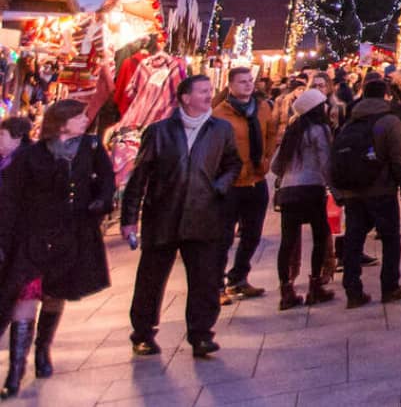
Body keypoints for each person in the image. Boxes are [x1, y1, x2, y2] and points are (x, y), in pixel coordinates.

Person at [122, 73, 241, 359]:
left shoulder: (220, 129)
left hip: (203, 214)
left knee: (204, 279)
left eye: (209, 90)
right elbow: (139, 177)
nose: (208, 95)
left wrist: (219, 186)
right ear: (185, 97)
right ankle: (143, 334)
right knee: (151, 279)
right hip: (163, 214)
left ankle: (201, 335)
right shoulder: (160, 131)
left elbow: (233, 163)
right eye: (202, 91)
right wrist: (129, 218)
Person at [0, 101, 114, 399]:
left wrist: (100, 203)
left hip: (71, 235)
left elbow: (107, 181)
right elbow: (11, 198)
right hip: (33, 237)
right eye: (79, 116)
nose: (85, 119)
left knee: (54, 293)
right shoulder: (31, 155)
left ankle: (42, 350)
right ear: (62, 121)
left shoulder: (91, 147)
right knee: (25, 295)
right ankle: (14, 372)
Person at [331, 78, 401, 308]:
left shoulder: (350, 120)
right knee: (390, 238)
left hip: (352, 190)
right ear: (386, 95)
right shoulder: (389, 121)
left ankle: (352, 289)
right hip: (381, 188)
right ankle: (389, 286)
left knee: (354, 239)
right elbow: (398, 158)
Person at [212, 66, 279, 301]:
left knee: (252, 233)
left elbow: (271, 132)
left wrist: (266, 158)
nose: (248, 85)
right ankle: (216, 285)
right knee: (223, 237)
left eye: (250, 80)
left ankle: (239, 277)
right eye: (242, 81)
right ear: (230, 85)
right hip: (231, 182)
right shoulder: (220, 113)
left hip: (256, 179)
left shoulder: (261, 108)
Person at [271, 89, 337, 310]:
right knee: (320, 236)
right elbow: (325, 162)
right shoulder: (319, 130)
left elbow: (276, 165)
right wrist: (335, 189)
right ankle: (315, 286)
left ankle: (286, 289)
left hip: (289, 192)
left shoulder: (293, 131)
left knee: (287, 241)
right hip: (311, 189)